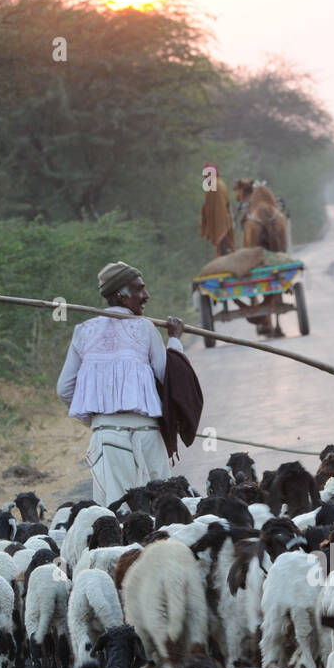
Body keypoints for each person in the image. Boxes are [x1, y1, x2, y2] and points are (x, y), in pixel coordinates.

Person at [56, 262, 190, 506]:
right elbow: (168, 378)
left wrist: (99, 421)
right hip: (148, 434)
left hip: (108, 436)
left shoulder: (83, 331)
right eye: (139, 289)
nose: (146, 296)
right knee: (163, 507)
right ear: (121, 295)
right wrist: (174, 340)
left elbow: (64, 389)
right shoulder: (145, 328)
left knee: (119, 511)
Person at [200, 163, 236, 256]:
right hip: (225, 222)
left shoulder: (216, 186)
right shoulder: (218, 184)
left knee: (224, 249)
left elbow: (219, 210)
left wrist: (220, 230)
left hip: (222, 224)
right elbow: (210, 205)